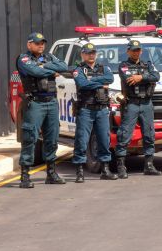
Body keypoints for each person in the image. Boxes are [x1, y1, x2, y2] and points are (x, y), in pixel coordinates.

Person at [16, 32, 69, 188]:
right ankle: (25, 175)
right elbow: (35, 72)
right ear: (29, 44)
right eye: (37, 43)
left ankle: (51, 173)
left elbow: (64, 67)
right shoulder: (23, 59)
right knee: (30, 137)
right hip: (35, 103)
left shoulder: (48, 58)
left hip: (51, 102)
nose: (41, 45)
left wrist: (44, 66)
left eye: (43, 43)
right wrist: (51, 71)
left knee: (52, 138)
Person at [72, 43, 117, 182]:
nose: (91, 55)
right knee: (82, 140)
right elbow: (82, 84)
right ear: (82, 54)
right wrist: (99, 83)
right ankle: (79, 171)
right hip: (86, 109)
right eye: (88, 53)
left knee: (104, 140)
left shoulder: (104, 68)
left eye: (93, 52)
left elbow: (110, 79)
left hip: (102, 109)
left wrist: (91, 80)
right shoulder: (78, 70)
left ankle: (105, 170)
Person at [116, 39, 162, 178]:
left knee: (149, 134)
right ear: (128, 51)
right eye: (133, 50)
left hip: (147, 103)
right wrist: (144, 78)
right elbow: (128, 78)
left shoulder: (148, 64)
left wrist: (140, 77)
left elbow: (157, 76)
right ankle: (121, 166)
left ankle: (149, 165)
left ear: (141, 51)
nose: (136, 52)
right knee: (124, 135)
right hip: (132, 104)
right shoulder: (124, 66)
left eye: (138, 50)